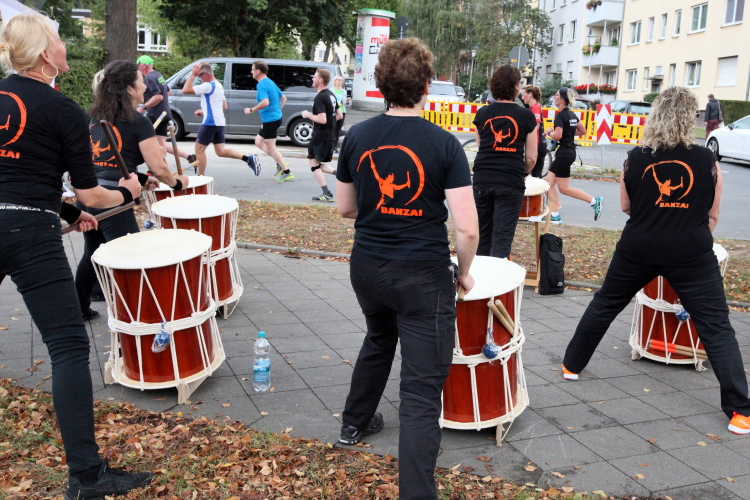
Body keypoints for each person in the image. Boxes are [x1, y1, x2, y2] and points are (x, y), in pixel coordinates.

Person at [0, 12, 153, 499]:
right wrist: (128, 192)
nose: (65, 47)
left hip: (20, 214)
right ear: (47, 54)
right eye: (60, 40)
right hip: (29, 232)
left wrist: (65, 209)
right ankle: (87, 477)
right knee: (67, 347)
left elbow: (20, 175)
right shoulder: (62, 108)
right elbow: (92, 193)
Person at [561, 86, 750, 436]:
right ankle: (740, 411)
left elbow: (626, 207)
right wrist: (689, 232)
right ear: (689, 118)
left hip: (639, 247)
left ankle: (571, 365)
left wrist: (655, 220)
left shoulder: (635, 157)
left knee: (605, 303)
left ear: (656, 116)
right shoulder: (707, 160)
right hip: (692, 253)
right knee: (716, 325)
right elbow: (713, 215)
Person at [335, 38, 479, 500]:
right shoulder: (444, 144)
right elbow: (468, 229)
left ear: (381, 85)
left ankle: (354, 423)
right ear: (426, 86)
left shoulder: (357, 136)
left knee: (379, 337)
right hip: (421, 278)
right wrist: (464, 272)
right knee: (420, 391)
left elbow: (345, 207)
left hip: (367, 269)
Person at [75, 60, 190, 320]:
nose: (145, 86)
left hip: (89, 194)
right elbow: (158, 167)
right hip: (114, 199)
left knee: (93, 252)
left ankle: (78, 309)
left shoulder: (93, 116)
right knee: (132, 257)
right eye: (140, 81)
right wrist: (177, 183)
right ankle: (138, 316)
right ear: (129, 88)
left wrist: (139, 177)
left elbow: (102, 162)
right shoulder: (138, 121)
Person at [472, 65, 538, 259]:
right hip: (510, 180)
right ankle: (498, 276)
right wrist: (522, 173)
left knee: (482, 236)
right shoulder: (526, 116)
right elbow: (531, 158)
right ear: (516, 86)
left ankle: (480, 276)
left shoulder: (482, 114)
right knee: (502, 238)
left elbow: (481, 145)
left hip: (483, 179)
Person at [182, 62, 260, 176]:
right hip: (219, 122)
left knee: (199, 150)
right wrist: (204, 111)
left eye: (200, 75)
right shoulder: (218, 85)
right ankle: (248, 159)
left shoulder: (208, 85)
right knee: (220, 151)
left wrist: (193, 74)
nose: (199, 78)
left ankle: (201, 177)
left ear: (206, 74)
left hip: (210, 122)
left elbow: (185, 90)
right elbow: (224, 106)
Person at [543, 87, 603, 224]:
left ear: (562, 100)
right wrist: (567, 132)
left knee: (564, 189)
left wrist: (549, 132)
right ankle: (555, 214)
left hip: (564, 153)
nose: (554, 97)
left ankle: (594, 201)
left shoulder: (560, 115)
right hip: (569, 152)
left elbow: (557, 136)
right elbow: (583, 131)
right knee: (548, 183)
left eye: (556, 95)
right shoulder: (571, 114)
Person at [136, 55, 194, 164]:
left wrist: (144, 107)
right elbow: (168, 92)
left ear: (143, 65)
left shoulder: (149, 78)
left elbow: (159, 96)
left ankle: (154, 168)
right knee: (161, 144)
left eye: (138, 66)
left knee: (143, 141)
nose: (138, 69)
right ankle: (190, 157)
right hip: (165, 112)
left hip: (155, 115)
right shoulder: (158, 75)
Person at [243, 60, 293, 181]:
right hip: (273, 118)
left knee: (271, 147)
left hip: (270, 120)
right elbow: (284, 98)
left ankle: (286, 171)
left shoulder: (261, 84)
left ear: (258, 71)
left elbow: (265, 102)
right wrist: (277, 110)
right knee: (258, 142)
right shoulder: (270, 82)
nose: (251, 72)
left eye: (252, 69)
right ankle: (280, 162)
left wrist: (251, 110)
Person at [302, 68, 341, 202]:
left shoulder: (320, 97)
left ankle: (327, 193)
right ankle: (340, 174)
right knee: (316, 163)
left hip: (320, 135)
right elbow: (339, 115)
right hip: (330, 135)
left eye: (314, 77)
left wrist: (308, 115)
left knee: (313, 163)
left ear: (320, 80)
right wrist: (330, 123)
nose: (312, 79)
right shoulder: (331, 94)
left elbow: (322, 119)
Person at [522, 85, 547, 178]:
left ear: (530, 95)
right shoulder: (531, 108)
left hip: (538, 145)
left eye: (523, 94)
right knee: (533, 175)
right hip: (537, 144)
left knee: (536, 176)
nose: (522, 97)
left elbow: (535, 127)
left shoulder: (535, 108)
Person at [332, 75, 348, 154]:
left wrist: (346, 102)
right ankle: (330, 147)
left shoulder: (344, 91)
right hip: (333, 112)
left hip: (342, 111)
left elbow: (344, 102)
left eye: (341, 80)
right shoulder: (331, 90)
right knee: (332, 129)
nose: (340, 81)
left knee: (338, 130)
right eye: (338, 80)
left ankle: (334, 147)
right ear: (335, 81)